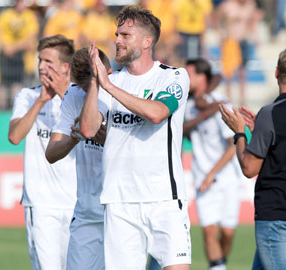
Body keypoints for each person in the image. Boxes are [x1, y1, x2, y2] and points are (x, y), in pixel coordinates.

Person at [79, 6, 191, 270]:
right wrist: (97, 82)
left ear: (146, 41)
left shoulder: (173, 76)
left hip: (164, 197)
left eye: (126, 35)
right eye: (117, 34)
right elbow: (87, 129)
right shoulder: (112, 82)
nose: (117, 40)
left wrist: (108, 86)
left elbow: (157, 113)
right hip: (119, 201)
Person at [219, 47, 286, 270]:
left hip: (276, 215)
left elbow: (249, 167)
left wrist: (240, 132)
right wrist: (262, 128)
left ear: (276, 73)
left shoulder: (272, 113)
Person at [7, 34, 76, 270]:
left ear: (65, 67)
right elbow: (15, 136)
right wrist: (40, 102)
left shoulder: (80, 97)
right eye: (39, 60)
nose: (40, 66)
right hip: (42, 204)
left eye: (47, 61)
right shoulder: (27, 96)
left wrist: (63, 95)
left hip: (77, 203)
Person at [45, 47, 112, 270]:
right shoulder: (74, 94)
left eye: (92, 86)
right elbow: (51, 153)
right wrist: (73, 140)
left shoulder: (126, 92)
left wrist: (109, 142)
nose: (89, 93)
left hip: (121, 212)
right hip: (87, 213)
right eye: (85, 88)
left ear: (109, 73)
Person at [184, 58, 243, 270]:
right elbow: (184, 130)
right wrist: (205, 113)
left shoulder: (222, 105)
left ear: (202, 77)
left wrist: (213, 174)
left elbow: (232, 147)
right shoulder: (187, 105)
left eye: (189, 74)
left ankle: (219, 264)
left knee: (227, 233)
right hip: (202, 178)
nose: (185, 78)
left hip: (227, 178)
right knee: (209, 230)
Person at [0, 0, 39, 109]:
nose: (23, 5)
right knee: (2, 85)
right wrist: (7, 47)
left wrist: (14, 47)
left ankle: (15, 110)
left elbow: (32, 35)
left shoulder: (29, 16)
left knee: (18, 85)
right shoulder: (6, 15)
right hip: (5, 56)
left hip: (21, 57)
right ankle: (1, 109)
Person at [216, 0, 260, 106]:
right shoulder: (227, 5)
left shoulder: (250, 5)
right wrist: (220, 33)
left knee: (242, 73)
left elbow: (252, 22)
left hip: (243, 40)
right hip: (230, 40)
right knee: (229, 73)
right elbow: (216, 17)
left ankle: (242, 101)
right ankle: (228, 99)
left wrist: (255, 36)